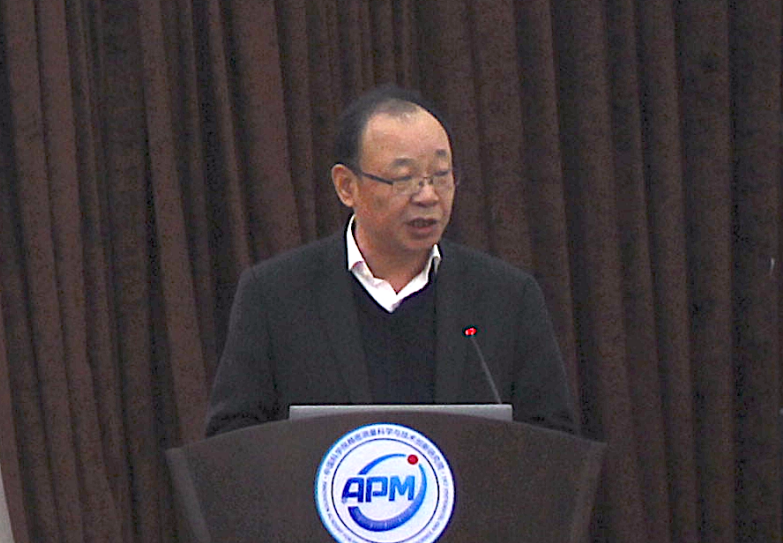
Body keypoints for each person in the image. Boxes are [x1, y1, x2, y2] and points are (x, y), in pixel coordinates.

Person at [205, 86, 575, 437]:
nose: (428, 196)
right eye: (404, 179)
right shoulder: (275, 296)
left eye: (441, 176)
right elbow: (232, 438)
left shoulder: (506, 297)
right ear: (346, 186)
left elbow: (553, 440)